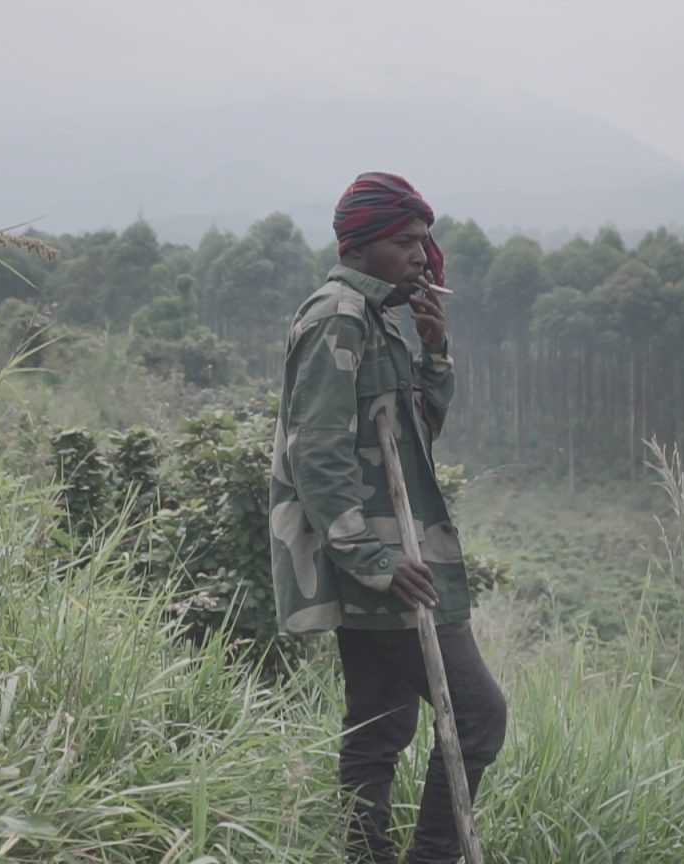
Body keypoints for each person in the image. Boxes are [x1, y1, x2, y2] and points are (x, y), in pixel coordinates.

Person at [268, 171, 507, 863]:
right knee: (478, 713)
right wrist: (369, 559)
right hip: (384, 563)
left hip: (387, 559)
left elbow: (412, 432)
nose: (421, 256)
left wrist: (435, 349)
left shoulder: (376, 319)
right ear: (364, 243)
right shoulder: (337, 316)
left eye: (425, 242)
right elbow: (315, 449)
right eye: (406, 241)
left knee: (380, 725)